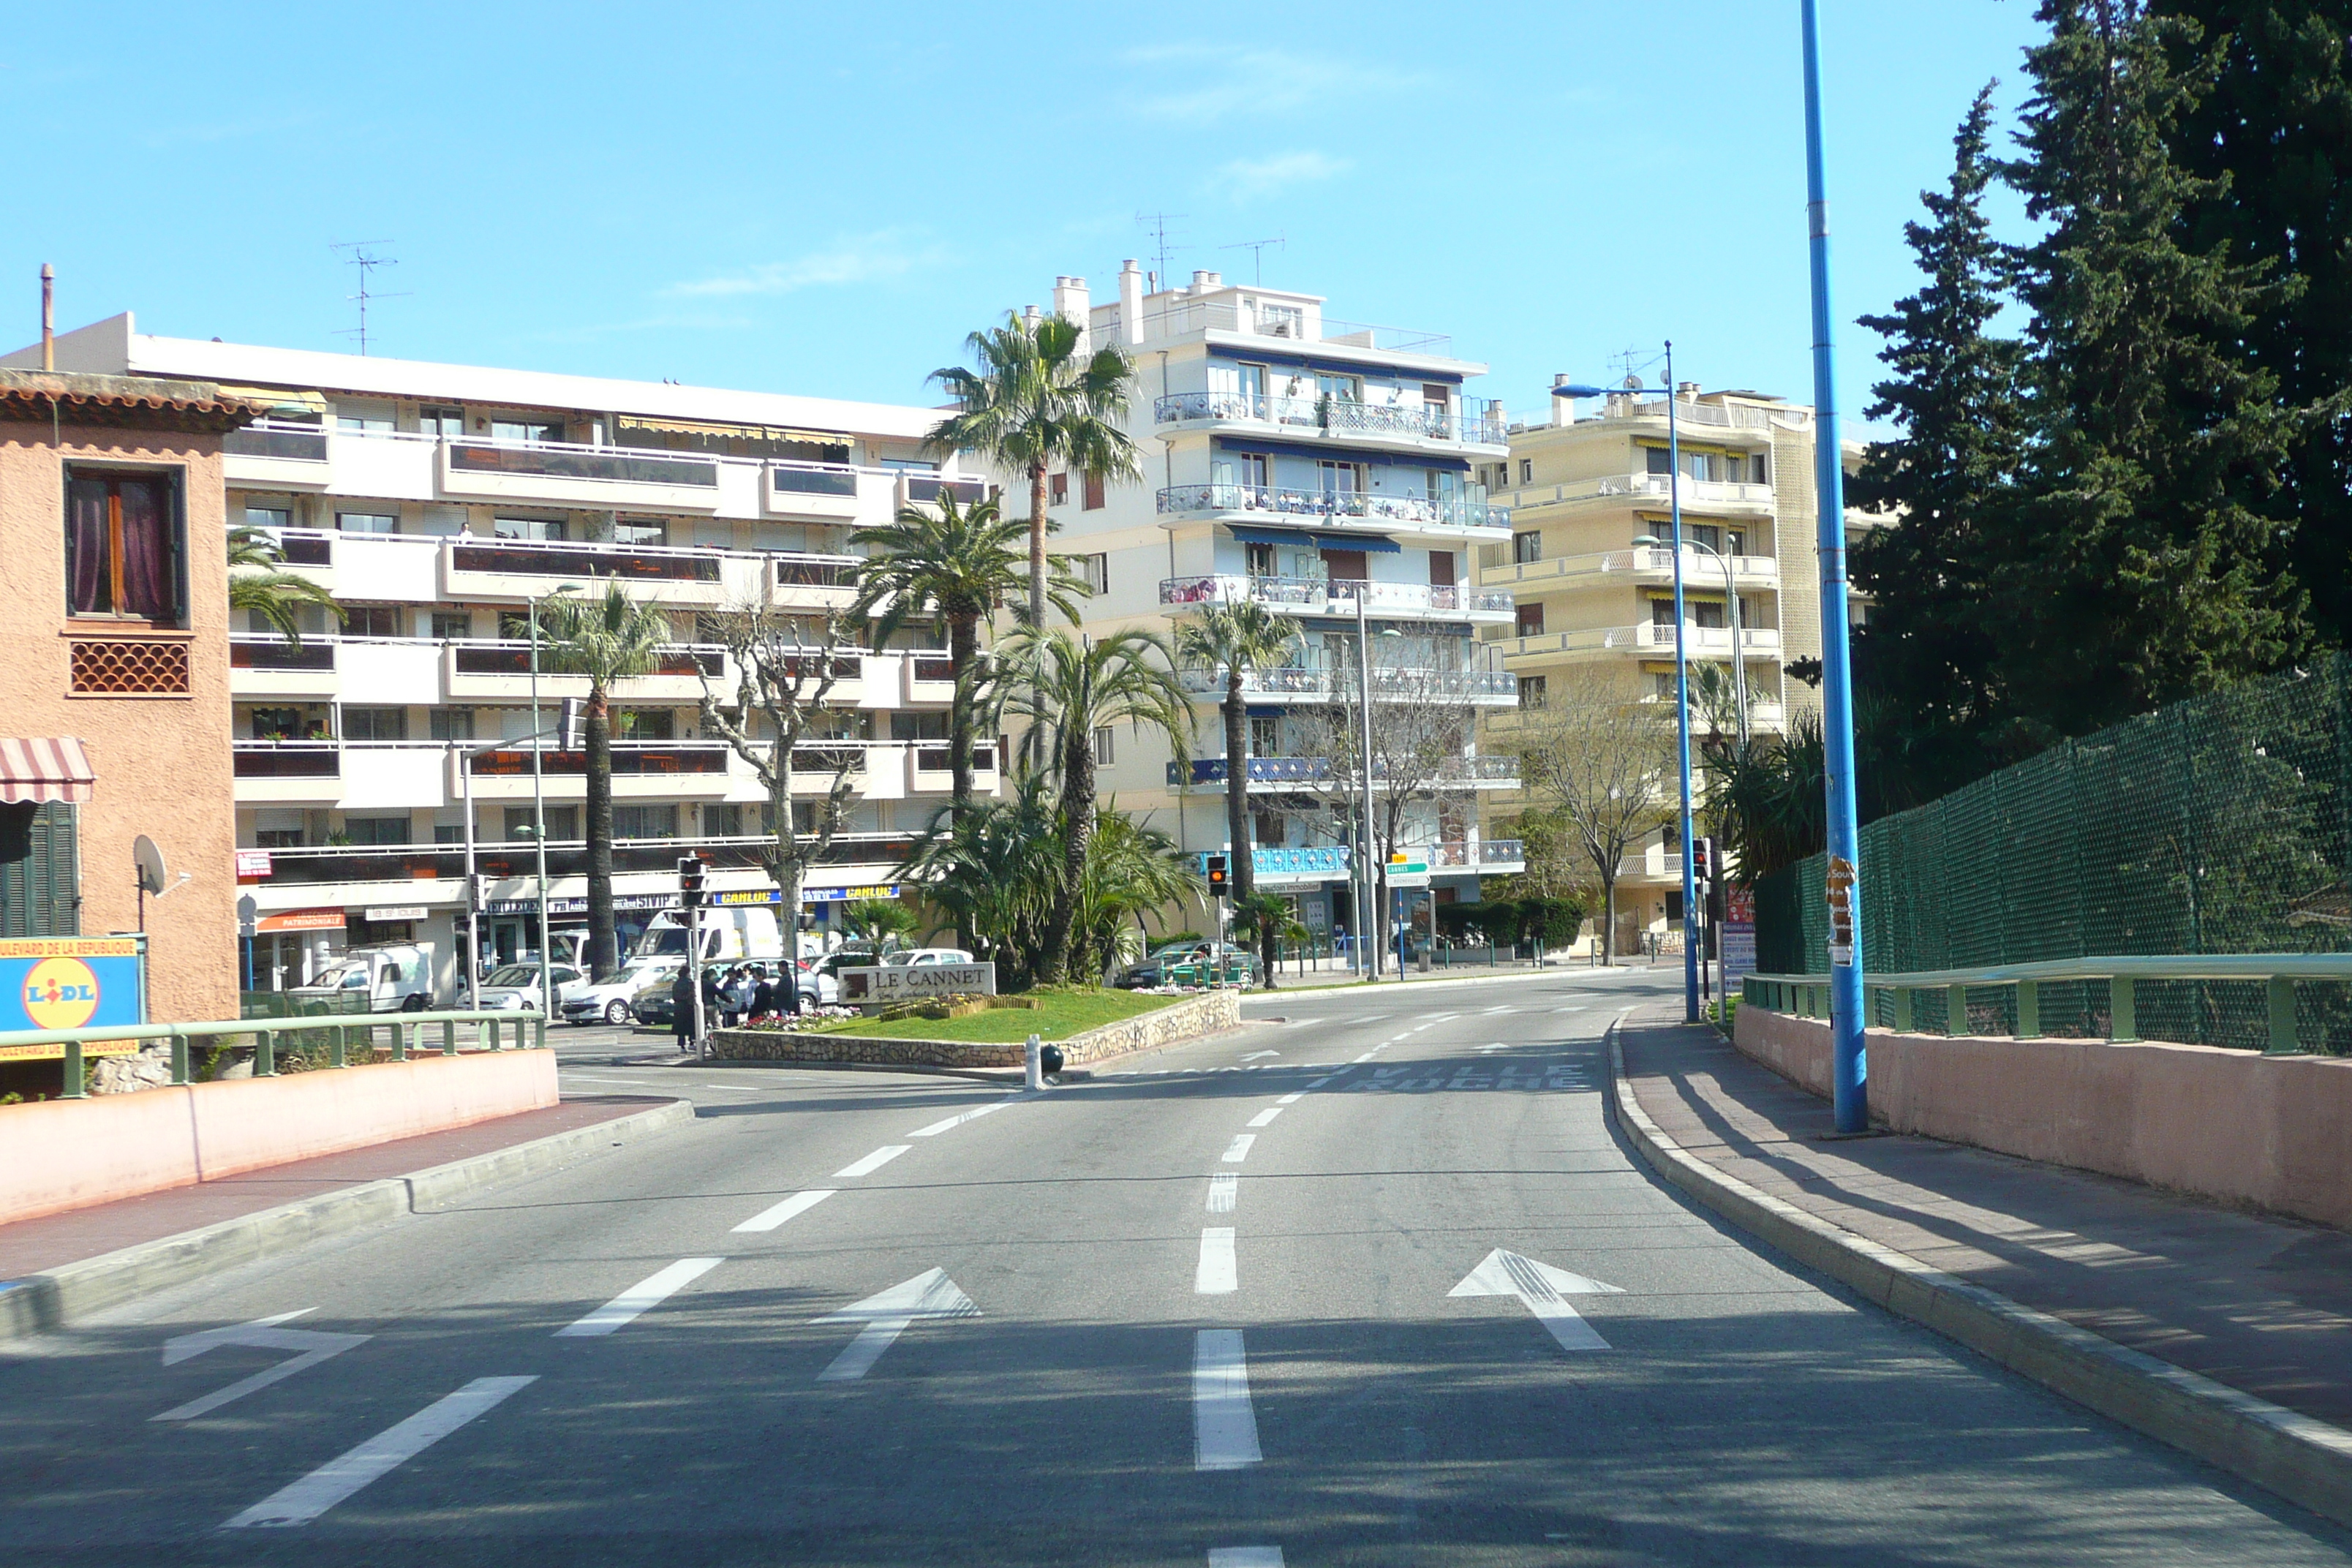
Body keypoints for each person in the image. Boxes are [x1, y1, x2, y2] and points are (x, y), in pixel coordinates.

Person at [671, 966, 696, 1052]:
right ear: (687, 973)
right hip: (688, 1006)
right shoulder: (689, 983)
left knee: (681, 1028)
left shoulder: (676, 984)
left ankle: (682, 1046)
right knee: (691, 1025)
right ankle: (692, 1043)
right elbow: (692, 994)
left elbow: (674, 996)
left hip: (678, 1007)